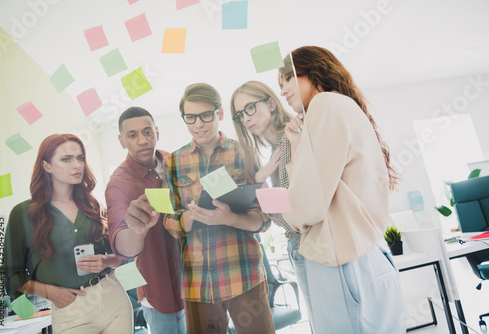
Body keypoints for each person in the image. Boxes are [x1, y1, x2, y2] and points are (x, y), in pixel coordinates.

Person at [278, 46, 407, 333]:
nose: (283, 89)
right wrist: (298, 144)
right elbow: (325, 181)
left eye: (287, 77)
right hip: (365, 256)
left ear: (313, 71)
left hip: (341, 261)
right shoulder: (342, 105)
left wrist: (288, 213)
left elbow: (306, 202)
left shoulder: (324, 105)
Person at [163, 83, 275, 334]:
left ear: (220, 114)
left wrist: (230, 218)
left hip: (244, 274)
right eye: (190, 117)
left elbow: (264, 218)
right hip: (198, 282)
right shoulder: (172, 162)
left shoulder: (244, 151)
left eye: (206, 115)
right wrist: (190, 218)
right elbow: (168, 221)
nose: (198, 124)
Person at [4, 134, 133, 333]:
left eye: (80, 158)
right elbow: (12, 275)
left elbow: (122, 256)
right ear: (46, 166)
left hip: (114, 299)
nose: (77, 165)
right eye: (66, 159)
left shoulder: (94, 206)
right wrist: (51, 293)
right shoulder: (22, 214)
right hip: (71, 310)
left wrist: (107, 260)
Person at [230, 80, 314, 331]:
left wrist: (258, 181)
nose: (245, 119)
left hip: (305, 242)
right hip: (299, 244)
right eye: (239, 114)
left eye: (250, 108)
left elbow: (288, 214)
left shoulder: (288, 139)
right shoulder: (273, 149)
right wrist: (260, 178)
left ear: (271, 103)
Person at [105, 107, 185, 334]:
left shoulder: (174, 162)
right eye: (132, 135)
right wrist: (137, 228)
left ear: (157, 132)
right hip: (157, 288)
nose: (142, 140)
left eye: (147, 132)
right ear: (122, 141)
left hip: (194, 278)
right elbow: (122, 247)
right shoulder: (118, 184)